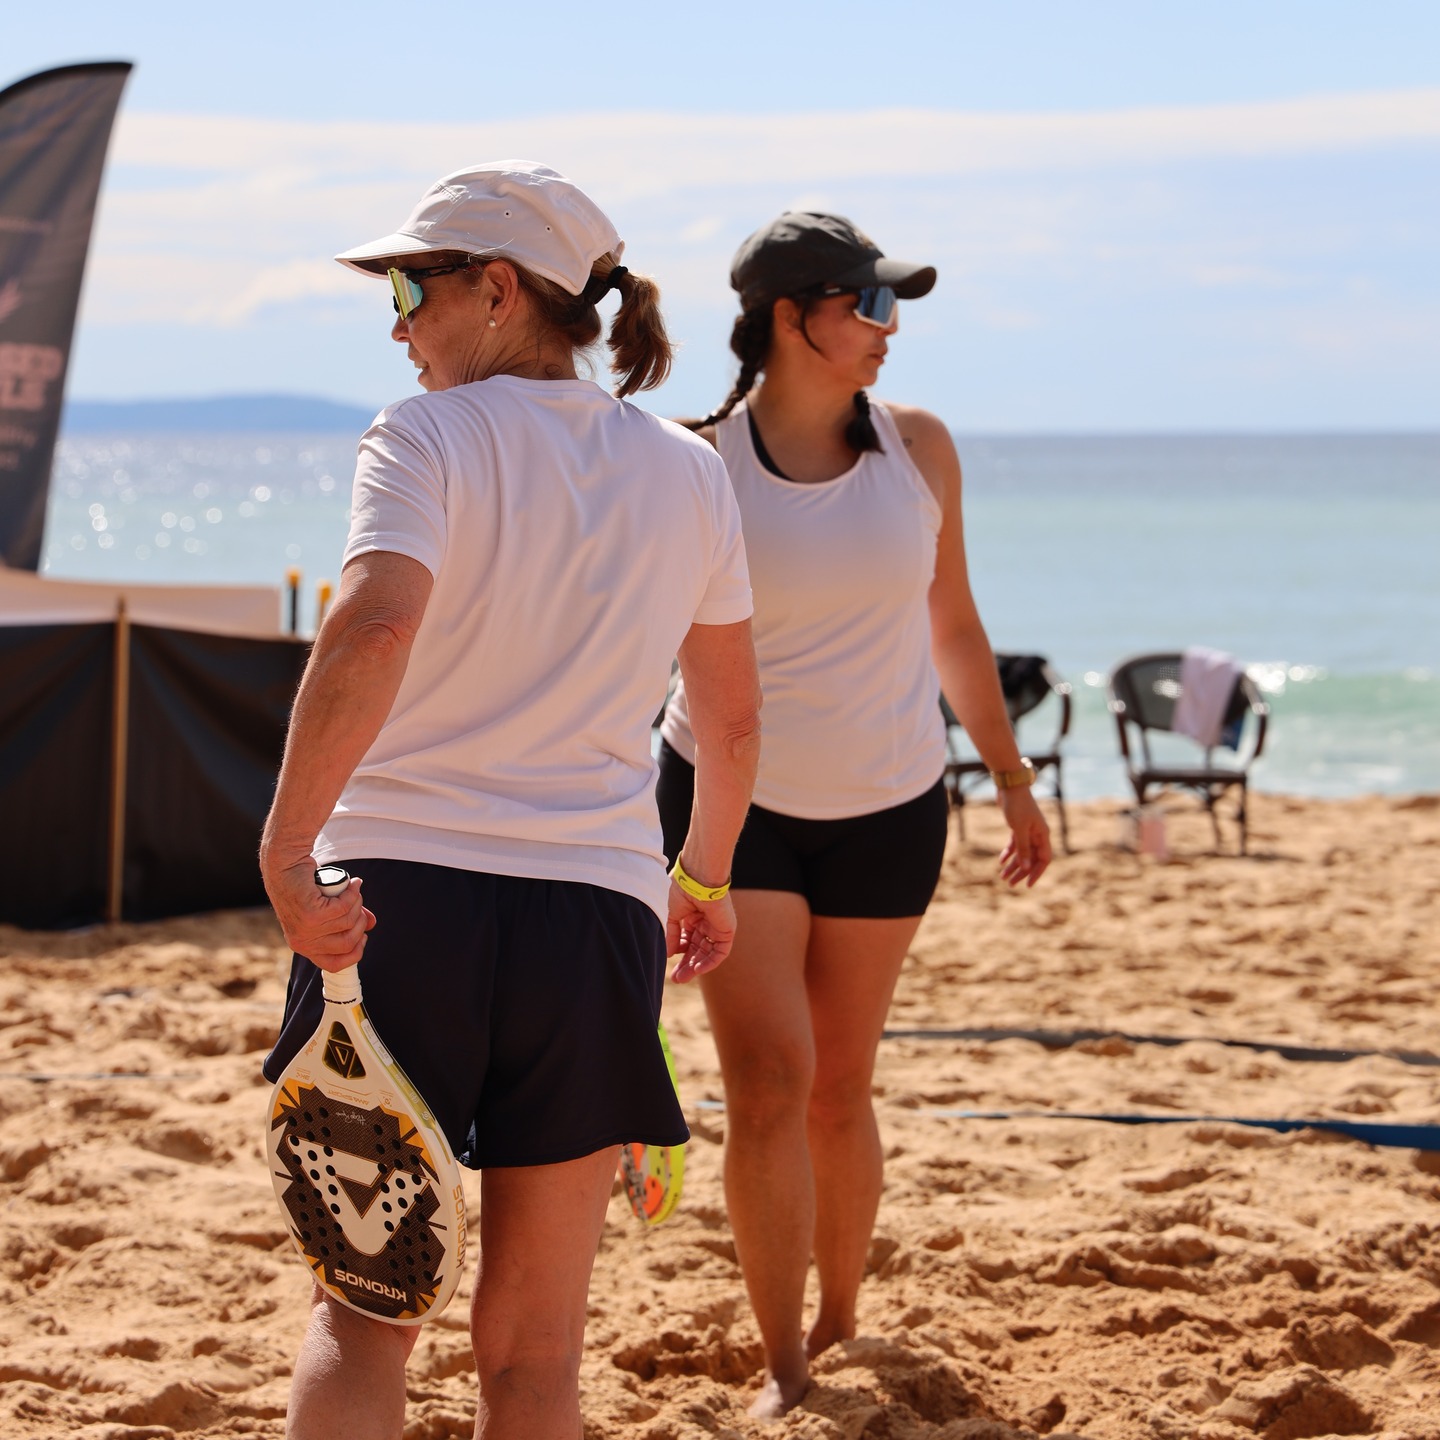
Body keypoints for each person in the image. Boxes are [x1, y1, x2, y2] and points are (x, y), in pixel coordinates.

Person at [259, 160, 761, 1440]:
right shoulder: (689, 469)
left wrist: (284, 844)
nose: (398, 322)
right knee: (537, 1358)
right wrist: (699, 876)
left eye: (412, 287)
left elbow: (372, 630)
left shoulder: (425, 433)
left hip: (396, 909)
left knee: (365, 1320)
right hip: (594, 915)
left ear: (496, 289)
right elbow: (732, 716)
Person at [657, 211, 1051, 1417]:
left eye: (895, 308)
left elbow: (955, 627)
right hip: (737, 806)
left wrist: (1015, 780)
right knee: (770, 1082)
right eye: (868, 306)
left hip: (891, 803)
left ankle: (842, 1317)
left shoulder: (918, 447)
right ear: (790, 316)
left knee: (841, 1087)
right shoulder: (694, 464)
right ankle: (782, 1364)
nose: (890, 330)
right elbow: (636, 651)